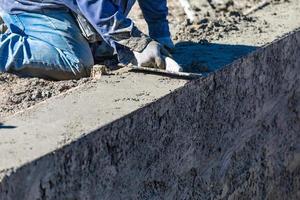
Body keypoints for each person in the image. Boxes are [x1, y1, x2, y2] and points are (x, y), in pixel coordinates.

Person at [0, 0, 180, 80]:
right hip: (33, 5)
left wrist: (159, 33)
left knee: (105, 51)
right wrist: (135, 41)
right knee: (75, 63)